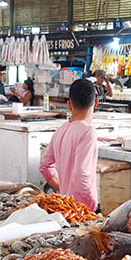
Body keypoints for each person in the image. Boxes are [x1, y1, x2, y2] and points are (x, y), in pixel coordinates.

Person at [39, 78, 99, 212]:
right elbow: (81, 175)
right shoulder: (88, 132)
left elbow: (44, 167)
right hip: (82, 208)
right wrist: (92, 205)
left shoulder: (60, 131)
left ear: (69, 105)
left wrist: (61, 188)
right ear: (95, 103)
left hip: (66, 206)